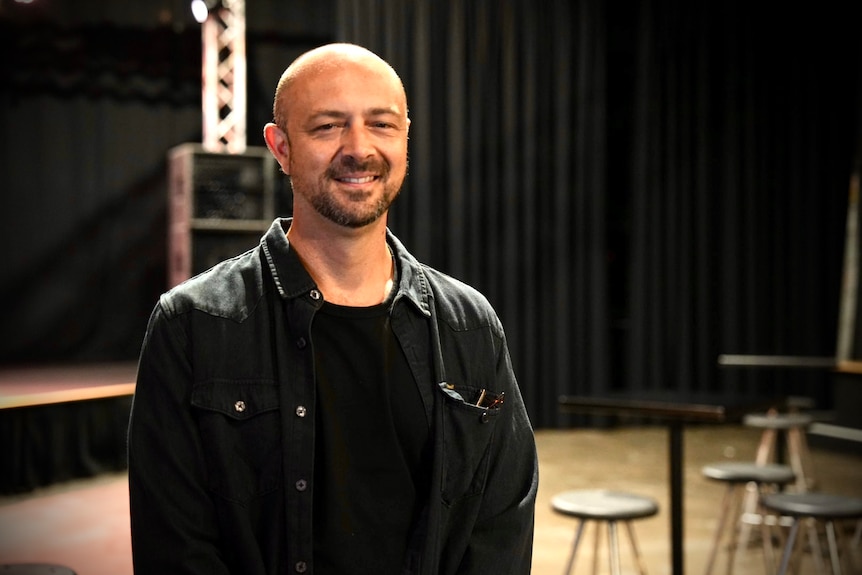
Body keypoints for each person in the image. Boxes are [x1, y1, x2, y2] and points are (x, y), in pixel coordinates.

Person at [127, 42, 538, 575]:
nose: (358, 147)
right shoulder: (192, 326)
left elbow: (500, 526)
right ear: (281, 148)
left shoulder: (470, 323)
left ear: (406, 138)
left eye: (382, 125)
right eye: (327, 126)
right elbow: (176, 550)